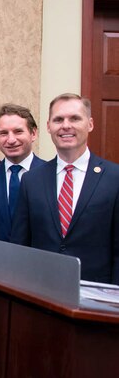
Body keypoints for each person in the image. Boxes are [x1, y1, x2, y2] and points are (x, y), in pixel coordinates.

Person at [11, 93, 119, 284]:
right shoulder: (31, 181)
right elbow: (20, 246)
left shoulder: (114, 178)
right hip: (40, 293)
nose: (66, 125)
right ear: (48, 126)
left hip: (96, 297)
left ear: (90, 124)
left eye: (75, 118)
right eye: (58, 119)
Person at [0, 105, 44, 241]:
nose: (11, 140)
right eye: (4, 133)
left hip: (39, 260)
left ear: (33, 133)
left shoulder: (52, 175)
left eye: (18, 131)